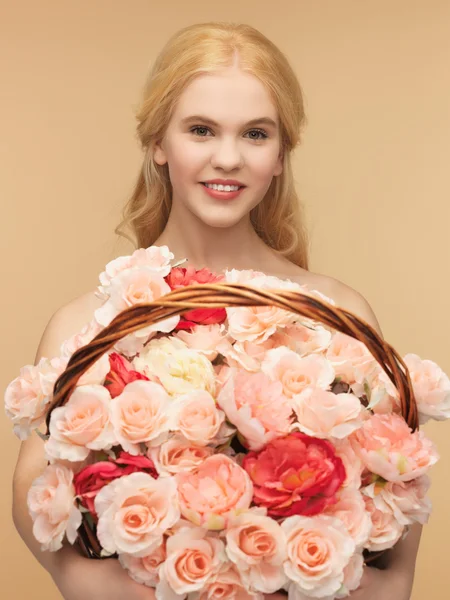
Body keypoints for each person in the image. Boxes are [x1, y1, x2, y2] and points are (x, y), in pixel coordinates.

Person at [12, 21, 421, 600]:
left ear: (281, 154)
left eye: (255, 134)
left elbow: (396, 511)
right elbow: (35, 503)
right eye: (201, 130)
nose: (227, 158)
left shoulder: (338, 312)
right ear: (158, 143)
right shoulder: (88, 322)